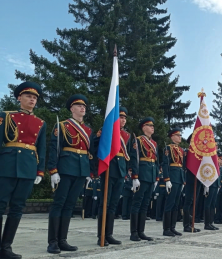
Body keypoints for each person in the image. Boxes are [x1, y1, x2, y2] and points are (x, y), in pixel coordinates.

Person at [0, 82, 46, 259]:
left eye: (35, 98)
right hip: (7, 165)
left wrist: (40, 171)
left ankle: (6, 248)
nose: (32, 99)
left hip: (28, 167)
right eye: (28, 96)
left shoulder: (41, 123)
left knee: (17, 208)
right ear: (19, 98)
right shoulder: (6, 116)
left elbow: (41, 149)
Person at [47, 94, 94, 254]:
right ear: (72, 109)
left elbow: (90, 152)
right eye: (79, 106)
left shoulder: (88, 130)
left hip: (81, 170)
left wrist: (89, 173)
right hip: (66, 167)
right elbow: (54, 149)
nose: (83, 108)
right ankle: (52, 241)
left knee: (70, 205)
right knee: (59, 203)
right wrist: (53, 170)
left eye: (84, 107)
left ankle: (62, 240)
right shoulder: (62, 125)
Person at [93, 106, 131, 246]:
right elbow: (97, 147)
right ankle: (101, 235)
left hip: (120, 171)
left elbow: (128, 156)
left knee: (113, 205)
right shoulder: (107, 130)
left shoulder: (127, 135)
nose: (123, 120)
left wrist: (128, 171)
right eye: (121, 117)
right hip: (109, 169)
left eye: (125, 118)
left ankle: (109, 234)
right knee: (105, 204)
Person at [130, 117, 159, 242]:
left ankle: (141, 231)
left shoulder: (155, 143)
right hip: (142, 174)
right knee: (137, 203)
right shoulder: (138, 140)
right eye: (149, 125)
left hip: (151, 175)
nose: (152, 127)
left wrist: (157, 176)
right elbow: (134, 159)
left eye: (153, 125)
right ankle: (134, 232)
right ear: (143, 127)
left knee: (145, 204)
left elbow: (156, 161)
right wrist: (135, 176)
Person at [162, 128, 185, 237]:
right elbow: (165, 164)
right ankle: (166, 229)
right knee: (170, 204)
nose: (179, 137)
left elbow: (182, 166)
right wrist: (167, 179)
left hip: (179, 178)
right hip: (172, 177)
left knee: (176, 204)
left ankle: (172, 227)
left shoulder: (181, 149)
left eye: (180, 135)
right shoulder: (168, 148)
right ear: (172, 137)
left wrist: (183, 180)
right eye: (177, 135)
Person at [182, 134, 201, 233]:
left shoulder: (199, 153)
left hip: (197, 180)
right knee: (188, 202)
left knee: (194, 202)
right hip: (189, 180)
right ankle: (186, 225)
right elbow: (184, 166)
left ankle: (191, 224)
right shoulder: (187, 152)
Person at [203, 152, 222, 230]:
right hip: (210, 183)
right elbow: (206, 170)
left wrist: (218, 184)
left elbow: (218, 172)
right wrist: (206, 184)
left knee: (212, 204)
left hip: (215, 183)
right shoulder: (209, 158)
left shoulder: (215, 158)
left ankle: (211, 222)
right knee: (208, 204)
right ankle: (207, 223)